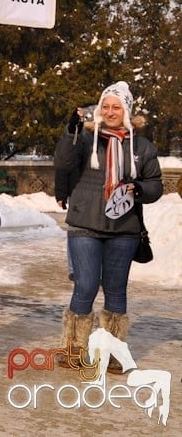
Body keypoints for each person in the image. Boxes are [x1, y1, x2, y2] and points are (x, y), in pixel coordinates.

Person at [54, 81, 161, 373]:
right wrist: (71, 129)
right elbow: (63, 163)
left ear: (126, 110)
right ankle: (74, 348)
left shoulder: (141, 146)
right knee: (86, 286)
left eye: (117, 106)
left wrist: (138, 189)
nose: (111, 111)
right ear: (99, 109)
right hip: (85, 224)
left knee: (116, 290)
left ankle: (112, 354)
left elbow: (155, 185)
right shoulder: (86, 139)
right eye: (106, 106)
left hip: (124, 229)